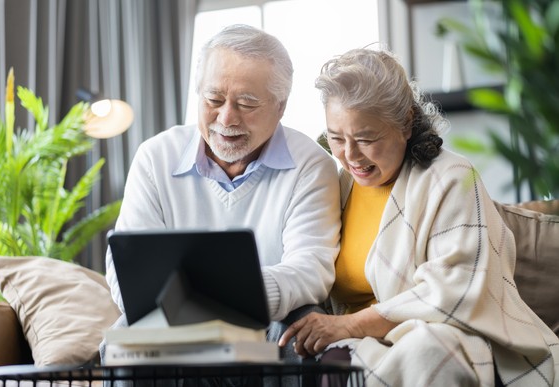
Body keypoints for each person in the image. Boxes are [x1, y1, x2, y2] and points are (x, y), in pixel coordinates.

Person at [278, 47, 559, 386]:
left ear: (406, 123)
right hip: (354, 345)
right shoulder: (335, 186)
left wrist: (350, 325)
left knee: (428, 349)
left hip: (448, 336)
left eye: (366, 139)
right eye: (336, 138)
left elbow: (456, 289)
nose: (350, 156)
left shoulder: (450, 177)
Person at [102, 24, 341, 362]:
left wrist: (220, 295)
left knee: (305, 328)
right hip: (172, 319)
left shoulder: (312, 164)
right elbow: (127, 267)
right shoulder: (155, 157)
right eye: (213, 100)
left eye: (246, 103)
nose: (226, 118)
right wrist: (192, 304)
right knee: (125, 334)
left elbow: (309, 271)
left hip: (271, 319)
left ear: (280, 106)